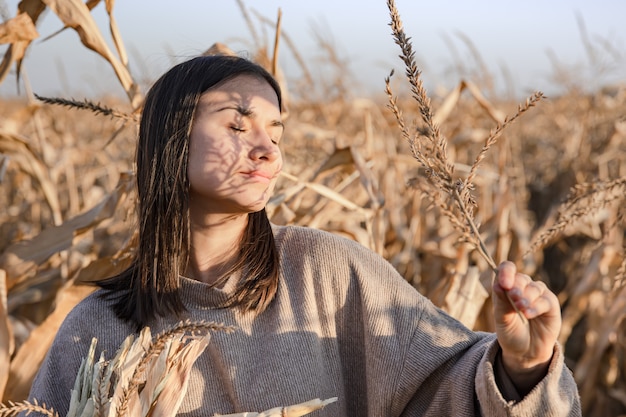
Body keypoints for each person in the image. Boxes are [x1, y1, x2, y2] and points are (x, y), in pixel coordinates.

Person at [27, 54, 582, 416]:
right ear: (171, 138)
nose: (267, 148)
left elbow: (440, 381)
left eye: (277, 131)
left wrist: (520, 370)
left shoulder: (327, 271)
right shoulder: (95, 329)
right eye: (237, 124)